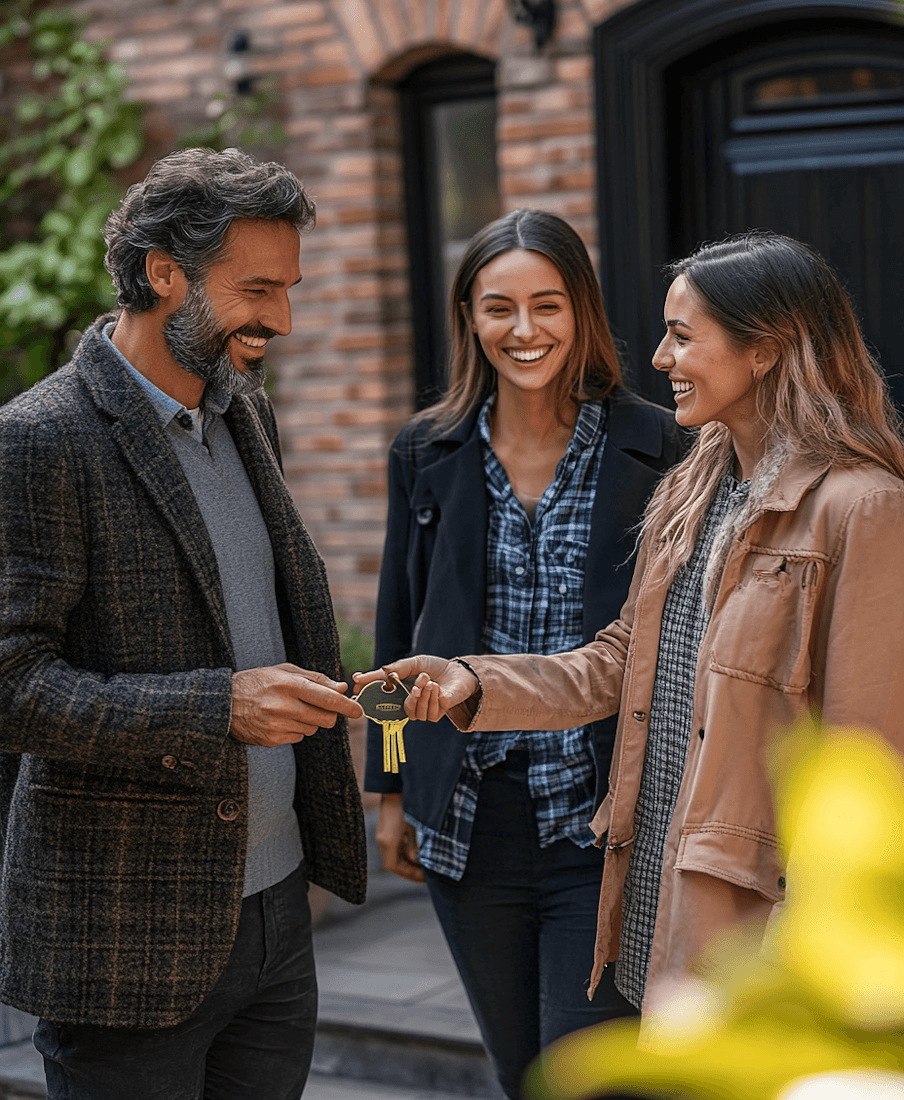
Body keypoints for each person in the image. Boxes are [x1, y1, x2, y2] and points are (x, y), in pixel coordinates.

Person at [358, 230, 904, 1020]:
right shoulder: (697, 485)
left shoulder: (863, 507)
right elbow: (624, 660)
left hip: (762, 909)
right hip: (652, 871)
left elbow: (867, 769)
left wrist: (817, 934)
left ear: (764, 350)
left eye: (682, 336)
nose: (658, 357)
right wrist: (473, 680)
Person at [0, 147, 367, 1100]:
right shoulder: (39, 440)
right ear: (163, 271)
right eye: (256, 290)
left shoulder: (246, 414)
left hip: (278, 920)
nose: (281, 320)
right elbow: (11, 686)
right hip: (127, 946)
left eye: (288, 289)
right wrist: (220, 709)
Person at [363, 209, 686, 1097]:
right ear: (469, 315)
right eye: (499, 307)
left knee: (587, 1078)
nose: (525, 331)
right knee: (521, 1072)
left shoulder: (662, 447)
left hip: (605, 814)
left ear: (581, 310)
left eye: (548, 305)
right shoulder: (426, 449)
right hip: (471, 818)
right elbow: (400, 635)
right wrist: (390, 788)